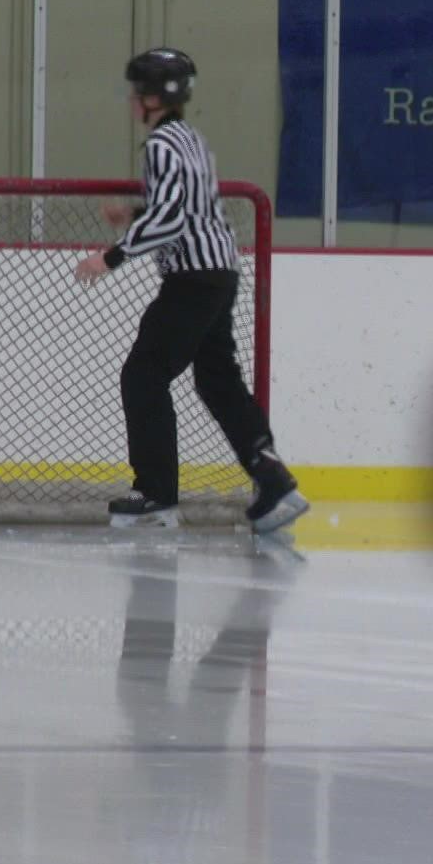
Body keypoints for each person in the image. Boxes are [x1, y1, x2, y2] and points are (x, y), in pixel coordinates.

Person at [73, 47, 309, 533]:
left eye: (136, 91)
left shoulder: (160, 146)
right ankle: (273, 480)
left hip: (193, 278)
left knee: (144, 374)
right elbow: (188, 209)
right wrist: (135, 215)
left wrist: (111, 255)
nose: (131, 101)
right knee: (217, 380)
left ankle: (157, 494)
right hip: (219, 271)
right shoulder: (191, 139)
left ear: (153, 97)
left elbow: (173, 218)